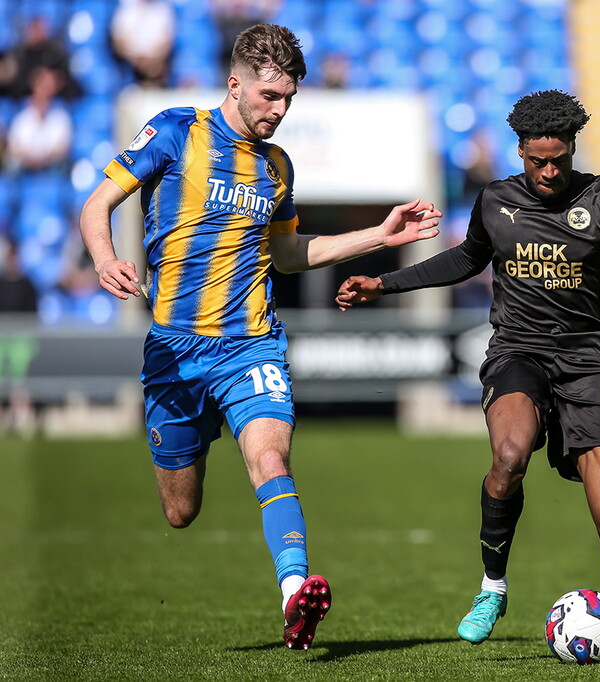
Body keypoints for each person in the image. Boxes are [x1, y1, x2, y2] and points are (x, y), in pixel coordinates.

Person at [336, 90, 600, 661]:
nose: (550, 170)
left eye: (559, 158)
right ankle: (492, 589)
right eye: (538, 161)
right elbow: (465, 259)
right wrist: (382, 283)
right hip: (517, 352)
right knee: (509, 456)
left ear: (572, 148)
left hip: (587, 364)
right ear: (521, 151)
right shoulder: (495, 200)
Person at [79, 24, 441, 650]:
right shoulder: (175, 131)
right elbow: (96, 205)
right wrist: (105, 257)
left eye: (288, 100)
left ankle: (294, 593)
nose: (279, 111)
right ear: (236, 82)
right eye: (270, 96)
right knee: (180, 511)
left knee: (271, 458)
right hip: (174, 348)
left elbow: (287, 252)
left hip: (250, 342)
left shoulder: (277, 166)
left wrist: (379, 238)